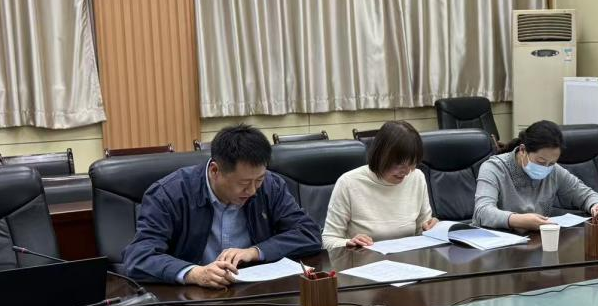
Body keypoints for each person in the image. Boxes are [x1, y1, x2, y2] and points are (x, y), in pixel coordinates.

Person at [122, 124, 321, 287]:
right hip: (193, 300)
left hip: (253, 292)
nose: (253, 191)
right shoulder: (170, 194)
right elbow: (139, 256)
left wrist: (255, 251)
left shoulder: (270, 186)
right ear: (215, 171)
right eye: (243, 183)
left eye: (259, 180)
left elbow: (308, 233)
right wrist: (194, 273)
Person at [473, 120, 598, 231]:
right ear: (523, 150)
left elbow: (586, 195)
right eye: (541, 162)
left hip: (536, 242)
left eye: (552, 163)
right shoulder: (494, 168)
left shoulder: (553, 171)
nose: (546, 168)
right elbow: (482, 212)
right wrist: (518, 220)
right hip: (496, 245)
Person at [323, 121, 438, 249]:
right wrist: (348, 243)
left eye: (412, 163)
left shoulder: (417, 177)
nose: (406, 172)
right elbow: (328, 240)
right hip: (363, 259)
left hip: (409, 258)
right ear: (381, 156)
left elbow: (422, 231)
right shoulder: (348, 183)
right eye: (399, 164)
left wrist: (432, 229)